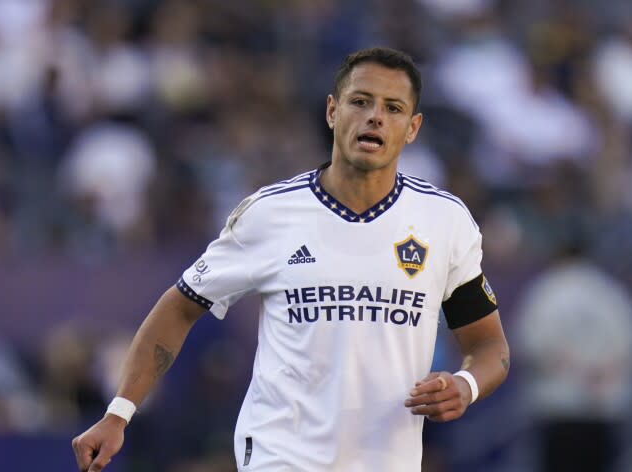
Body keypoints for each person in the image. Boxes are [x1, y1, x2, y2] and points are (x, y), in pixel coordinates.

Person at [72, 47, 510, 472]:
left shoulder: (443, 220)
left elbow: (489, 347)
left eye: (393, 108)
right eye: (361, 101)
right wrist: (119, 412)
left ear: (412, 128)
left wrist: (466, 385)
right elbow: (179, 305)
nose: (375, 116)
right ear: (332, 112)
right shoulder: (269, 214)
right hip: (280, 454)